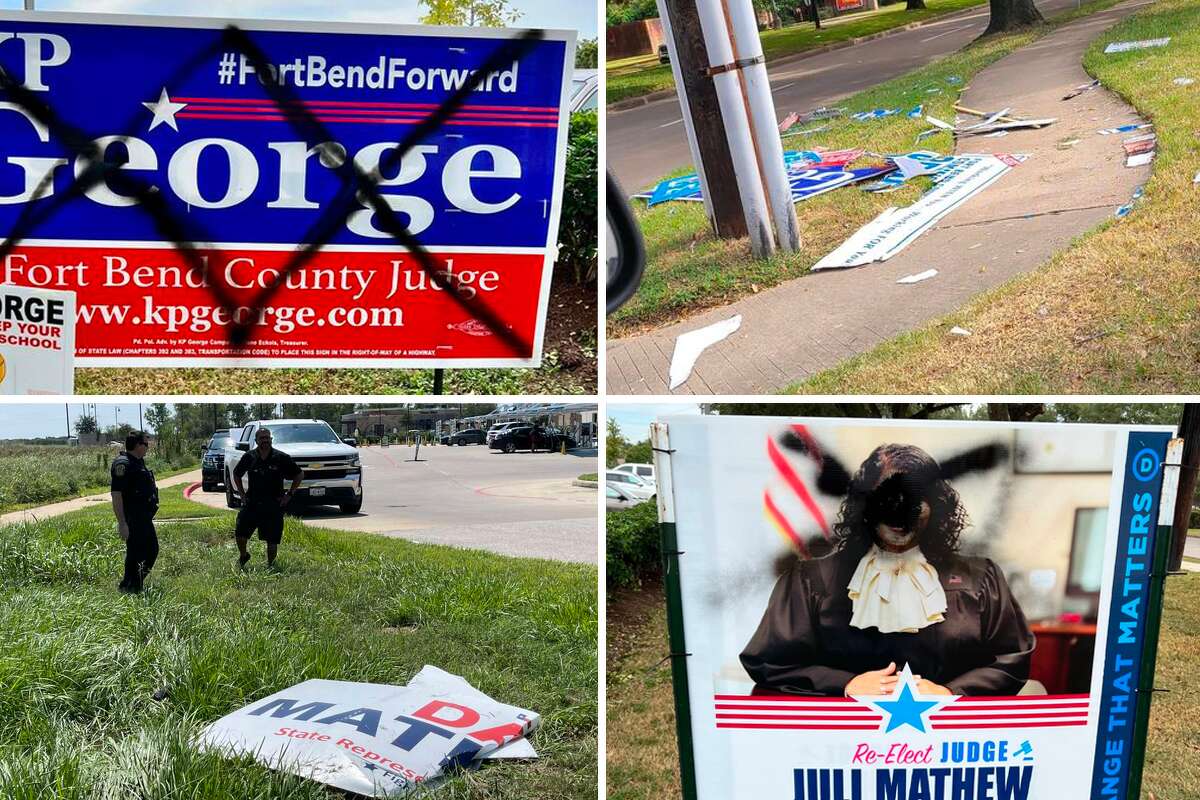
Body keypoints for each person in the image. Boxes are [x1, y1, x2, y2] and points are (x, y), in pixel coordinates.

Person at [740, 443, 1034, 697]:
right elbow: (769, 660)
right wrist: (846, 684)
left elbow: (1011, 657)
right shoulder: (809, 581)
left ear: (935, 506)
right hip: (842, 746)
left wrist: (951, 691)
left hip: (951, 746)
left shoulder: (981, 578)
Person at [232, 426, 303, 568]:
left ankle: (270, 566)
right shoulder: (249, 457)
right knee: (240, 534)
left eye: (267, 438)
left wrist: (289, 494)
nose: (265, 440)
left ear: (271, 439)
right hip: (252, 502)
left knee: (272, 541)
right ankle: (244, 556)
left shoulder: (281, 457)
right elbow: (236, 474)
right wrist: (241, 494)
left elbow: (299, 474)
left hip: (274, 504)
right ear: (256, 440)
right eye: (261, 438)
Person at [110, 431, 159, 593]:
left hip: (144, 517)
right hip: (133, 517)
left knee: (150, 550)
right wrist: (122, 523)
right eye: (146, 444)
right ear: (138, 445)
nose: (148, 447)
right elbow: (116, 495)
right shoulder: (123, 464)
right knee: (138, 552)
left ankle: (133, 584)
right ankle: (130, 585)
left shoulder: (138, 462)